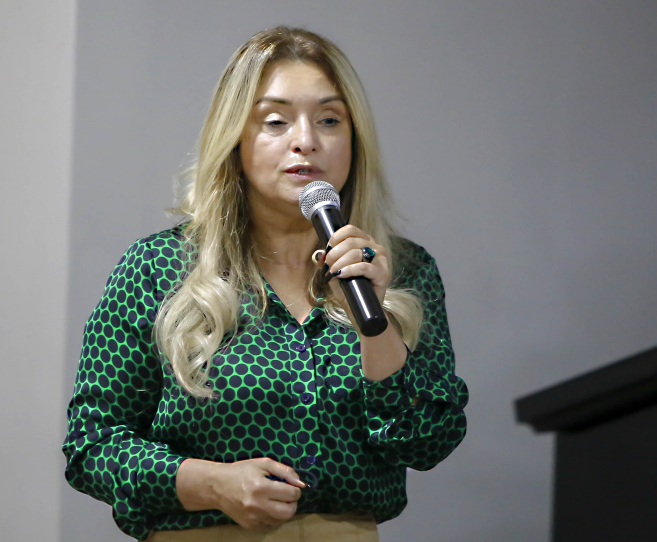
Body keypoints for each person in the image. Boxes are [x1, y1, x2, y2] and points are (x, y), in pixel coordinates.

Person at [62, 26, 468, 542]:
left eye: (329, 119)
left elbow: (429, 441)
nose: (306, 140)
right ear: (235, 138)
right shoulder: (157, 268)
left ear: (354, 138)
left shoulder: (402, 271)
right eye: (275, 121)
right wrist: (210, 484)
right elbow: (92, 445)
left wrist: (376, 324)